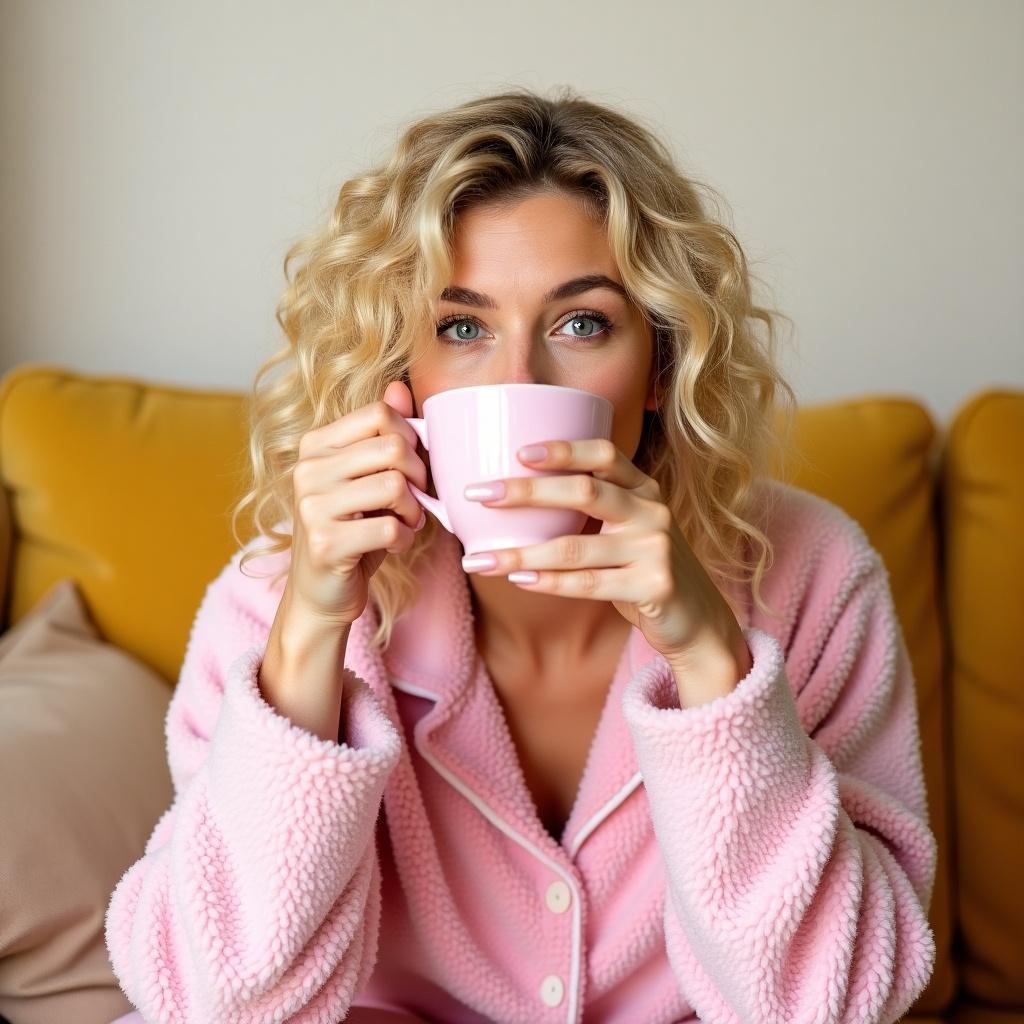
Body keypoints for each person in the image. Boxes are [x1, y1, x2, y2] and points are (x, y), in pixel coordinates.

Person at [105, 87, 937, 1024]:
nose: (517, 382)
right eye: (462, 328)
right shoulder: (280, 597)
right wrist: (312, 634)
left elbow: (827, 1001)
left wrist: (713, 663)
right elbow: (211, 998)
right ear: (400, 373)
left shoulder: (812, 574)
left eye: (581, 324)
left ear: (661, 364)